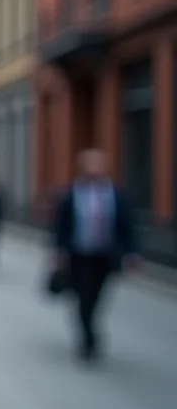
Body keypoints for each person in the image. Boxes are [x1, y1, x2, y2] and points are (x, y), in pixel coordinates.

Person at [51, 149, 140, 363]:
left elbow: (127, 226)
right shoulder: (71, 194)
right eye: (90, 166)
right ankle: (88, 339)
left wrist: (133, 252)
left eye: (98, 166)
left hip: (105, 255)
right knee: (83, 296)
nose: (94, 171)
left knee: (99, 295)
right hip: (80, 254)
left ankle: (90, 323)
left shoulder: (116, 195)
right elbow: (60, 227)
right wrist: (59, 251)